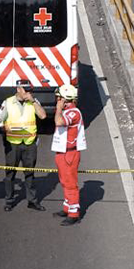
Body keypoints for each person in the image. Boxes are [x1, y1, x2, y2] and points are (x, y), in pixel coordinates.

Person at [0, 79, 47, 212]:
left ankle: (32, 200)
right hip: (13, 144)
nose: (29, 93)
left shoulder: (33, 102)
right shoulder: (8, 102)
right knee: (10, 173)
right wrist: (6, 127)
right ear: (18, 89)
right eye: (26, 90)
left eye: (30, 90)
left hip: (29, 143)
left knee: (29, 173)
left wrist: (33, 101)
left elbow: (42, 115)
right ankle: (9, 200)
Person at [51, 84, 86, 226]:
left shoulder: (73, 112)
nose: (57, 100)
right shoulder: (67, 111)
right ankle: (67, 207)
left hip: (69, 153)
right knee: (64, 181)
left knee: (71, 184)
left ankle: (73, 213)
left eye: (59, 98)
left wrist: (59, 108)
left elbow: (59, 122)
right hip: (62, 152)